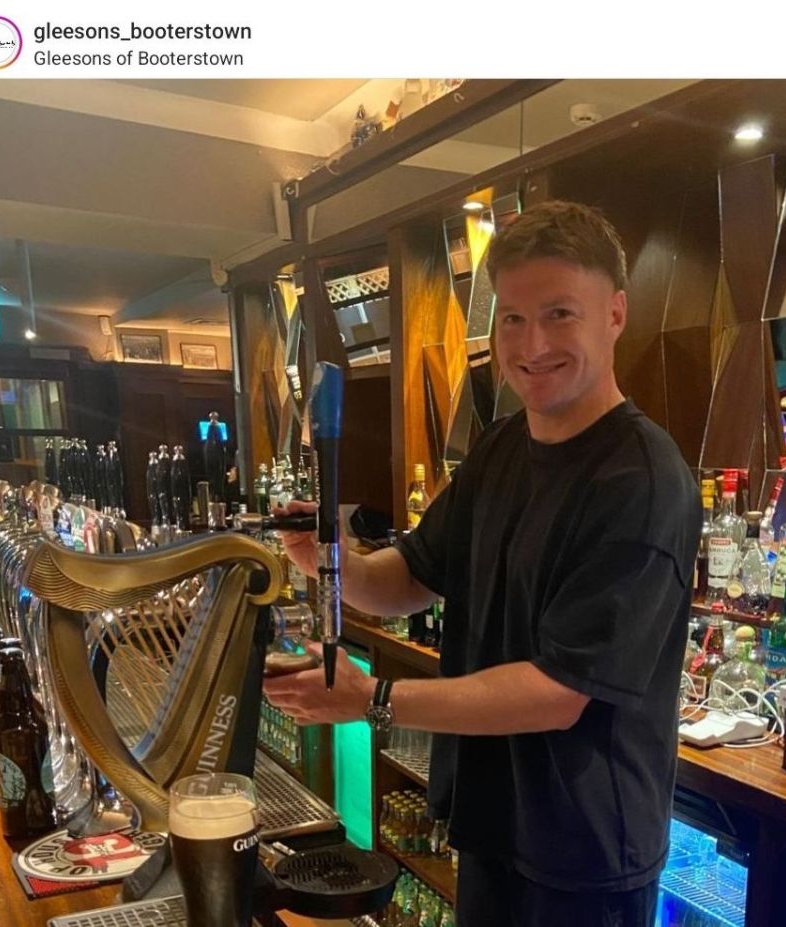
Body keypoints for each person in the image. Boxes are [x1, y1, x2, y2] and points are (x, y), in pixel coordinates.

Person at [266, 200, 702, 927]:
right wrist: (327, 559)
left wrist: (374, 698)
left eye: (560, 314)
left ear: (615, 313)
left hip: (583, 852)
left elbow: (558, 692)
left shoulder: (641, 481)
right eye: (513, 319)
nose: (533, 344)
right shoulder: (500, 447)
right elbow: (412, 575)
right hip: (493, 820)